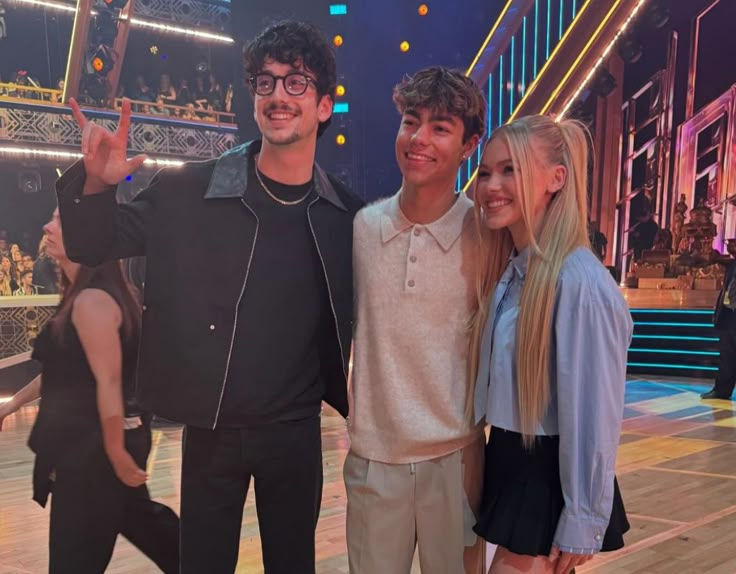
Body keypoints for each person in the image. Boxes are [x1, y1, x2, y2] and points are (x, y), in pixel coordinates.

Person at [56, 20, 362, 574]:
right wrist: (98, 184)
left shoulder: (346, 215)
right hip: (210, 430)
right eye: (265, 83)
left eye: (296, 83)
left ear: (323, 106)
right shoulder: (188, 189)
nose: (278, 96)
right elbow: (96, 242)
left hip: (294, 433)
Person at [470, 115, 632, 574]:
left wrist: (583, 515)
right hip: (507, 457)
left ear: (556, 180)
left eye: (510, 170)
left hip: (543, 473)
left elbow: (595, 413)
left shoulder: (578, 282)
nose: (491, 186)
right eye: (485, 172)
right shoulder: (516, 272)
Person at [346, 67, 486, 574]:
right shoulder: (363, 229)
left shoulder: (486, 235)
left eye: (440, 126)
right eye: (411, 121)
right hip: (373, 455)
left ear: (469, 145)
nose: (419, 139)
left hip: (456, 457)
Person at [0, 209, 179, 573]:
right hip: (92, 452)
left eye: (60, 221)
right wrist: (10, 406)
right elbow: (64, 376)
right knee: (151, 529)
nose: (47, 228)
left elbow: (108, 382)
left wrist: (114, 452)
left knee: (76, 558)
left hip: (91, 456)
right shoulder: (87, 296)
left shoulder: (92, 302)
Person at [701, 238, 736, 400]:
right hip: (729, 315)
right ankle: (721, 390)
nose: (731, 248)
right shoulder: (732, 265)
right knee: (727, 356)